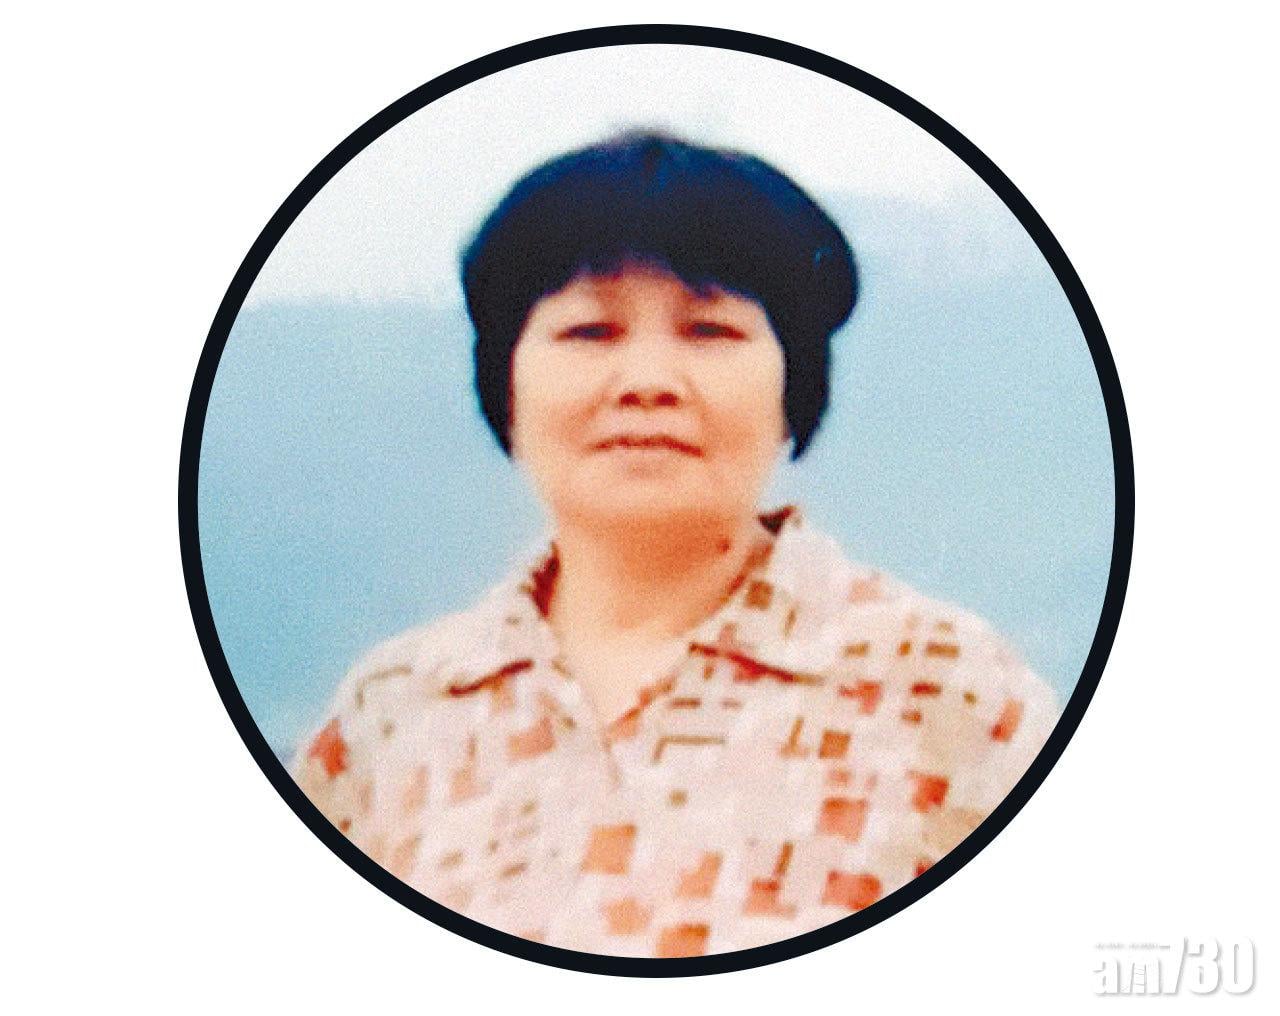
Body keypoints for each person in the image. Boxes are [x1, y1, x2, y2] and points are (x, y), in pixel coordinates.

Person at [291, 131, 1059, 958]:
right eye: (590, 332)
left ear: (795, 384)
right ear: (504, 380)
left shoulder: (946, 691)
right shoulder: (394, 713)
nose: (648, 382)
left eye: (710, 330)